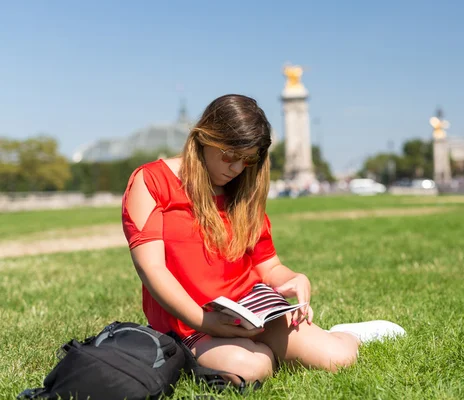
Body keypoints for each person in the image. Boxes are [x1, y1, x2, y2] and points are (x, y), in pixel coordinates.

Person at [121, 94, 405, 385]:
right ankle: (258, 351)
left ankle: (347, 334)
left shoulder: (242, 189)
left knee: (337, 359)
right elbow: (152, 269)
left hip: (252, 311)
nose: (236, 169)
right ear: (206, 137)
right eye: (230, 155)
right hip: (188, 323)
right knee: (251, 368)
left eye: (248, 159)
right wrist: (204, 321)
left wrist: (294, 278)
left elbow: (268, 266)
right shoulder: (152, 181)